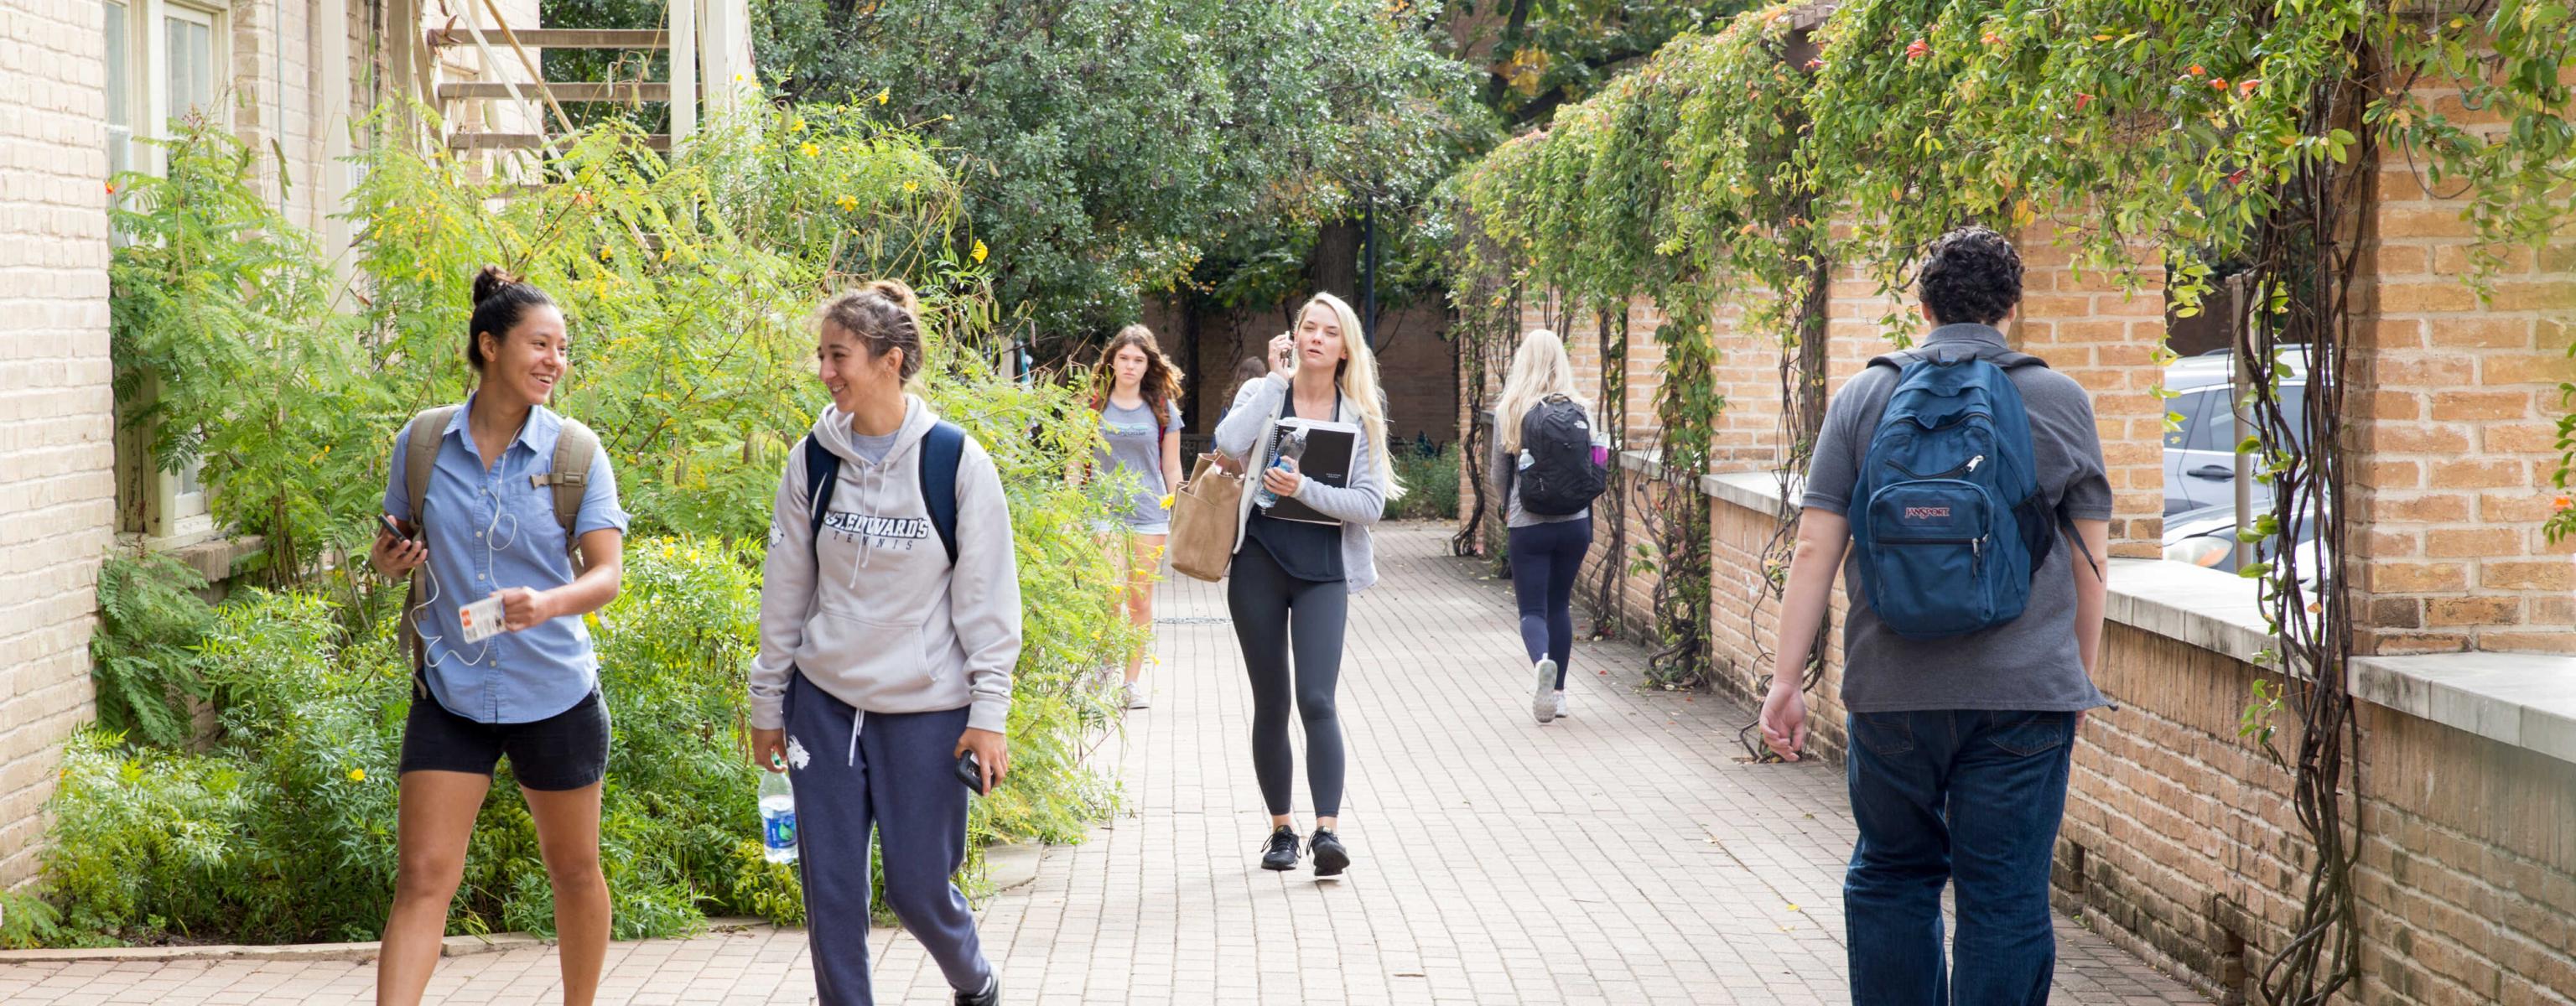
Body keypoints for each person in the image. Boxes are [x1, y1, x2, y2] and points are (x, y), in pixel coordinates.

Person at [1758, 226, 2111, 1005]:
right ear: (2011, 308)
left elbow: (1815, 547)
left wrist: (1788, 680)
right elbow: (2093, 566)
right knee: (2006, 897)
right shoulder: (2059, 400)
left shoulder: (1866, 395)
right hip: (2025, 699)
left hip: (1892, 693)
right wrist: (2075, 682)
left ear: (1921, 305)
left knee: (1890, 876)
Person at [748, 280, 1020, 1006]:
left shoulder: (957, 464)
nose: (826, 371)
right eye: (822, 356)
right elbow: (786, 591)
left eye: (839, 356)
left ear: (890, 361)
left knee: (917, 888)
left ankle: (976, 980)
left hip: (926, 707)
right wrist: (766, 699)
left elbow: (989, 604)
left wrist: (988, 715)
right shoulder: (814, 459)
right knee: (830, 892)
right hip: (824, 703)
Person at [371, 267, 629, 1006]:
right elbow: (394, 546)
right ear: (489, 346)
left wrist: (547, 603)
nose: (555, 360)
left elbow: (606, 576)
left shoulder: (575, 453)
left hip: (553, 690)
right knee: (423, 876)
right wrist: (388, 561)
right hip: (451, 687)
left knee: (574, 869)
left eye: (563, 348)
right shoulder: (422, 443)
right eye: (539, 345)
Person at [1212, 291, 1400, 878]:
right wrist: (1273, 383)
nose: (1316, 338)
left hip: (1323, 569)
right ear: (1295, 340)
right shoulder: (1265, 395)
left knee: (1318, 699)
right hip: (1259, 563)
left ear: (1345, 349)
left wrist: (1304, 491)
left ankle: (1327, 833)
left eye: (1328, 332)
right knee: (1272, 700)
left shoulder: (1360, 416)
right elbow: (1226, 445)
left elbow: (1370, 505)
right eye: (1307, 328)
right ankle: (1281, 831)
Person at [1488, 329, 1595, 724]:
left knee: (1532, 609)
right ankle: (1561, 695)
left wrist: (1507, 505)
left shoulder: (1509, 410)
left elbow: (1500, 474)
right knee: (1560, 605)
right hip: (1575, 524)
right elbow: (1599, 459)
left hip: (1527, 523)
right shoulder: (1582, 409)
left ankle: (1541, 666)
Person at [1085, 324, 1187, 709]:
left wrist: (1178, 509)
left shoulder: (1162, 409)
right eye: (1123, 358)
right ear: (1111, 361)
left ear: (1149, 365)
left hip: (1148, 515)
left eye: (1138, 360)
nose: (1130, 366)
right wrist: (1068, 511)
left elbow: (1172, 469)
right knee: (1109, 596)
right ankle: (1102, 667)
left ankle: (1130, 684)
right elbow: (1077, 460)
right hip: (1103, 512)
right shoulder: (1094, 404)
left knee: (1139, 600)